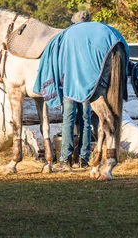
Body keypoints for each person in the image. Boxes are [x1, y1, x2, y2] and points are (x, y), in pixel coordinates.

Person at [59, 10, 94, 171]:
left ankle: (65, 159)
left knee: (68, 119)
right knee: (86, 121)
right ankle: (83, 158)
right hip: (87, 84)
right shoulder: (92, 37)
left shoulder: (67, 36)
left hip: (69, 84)